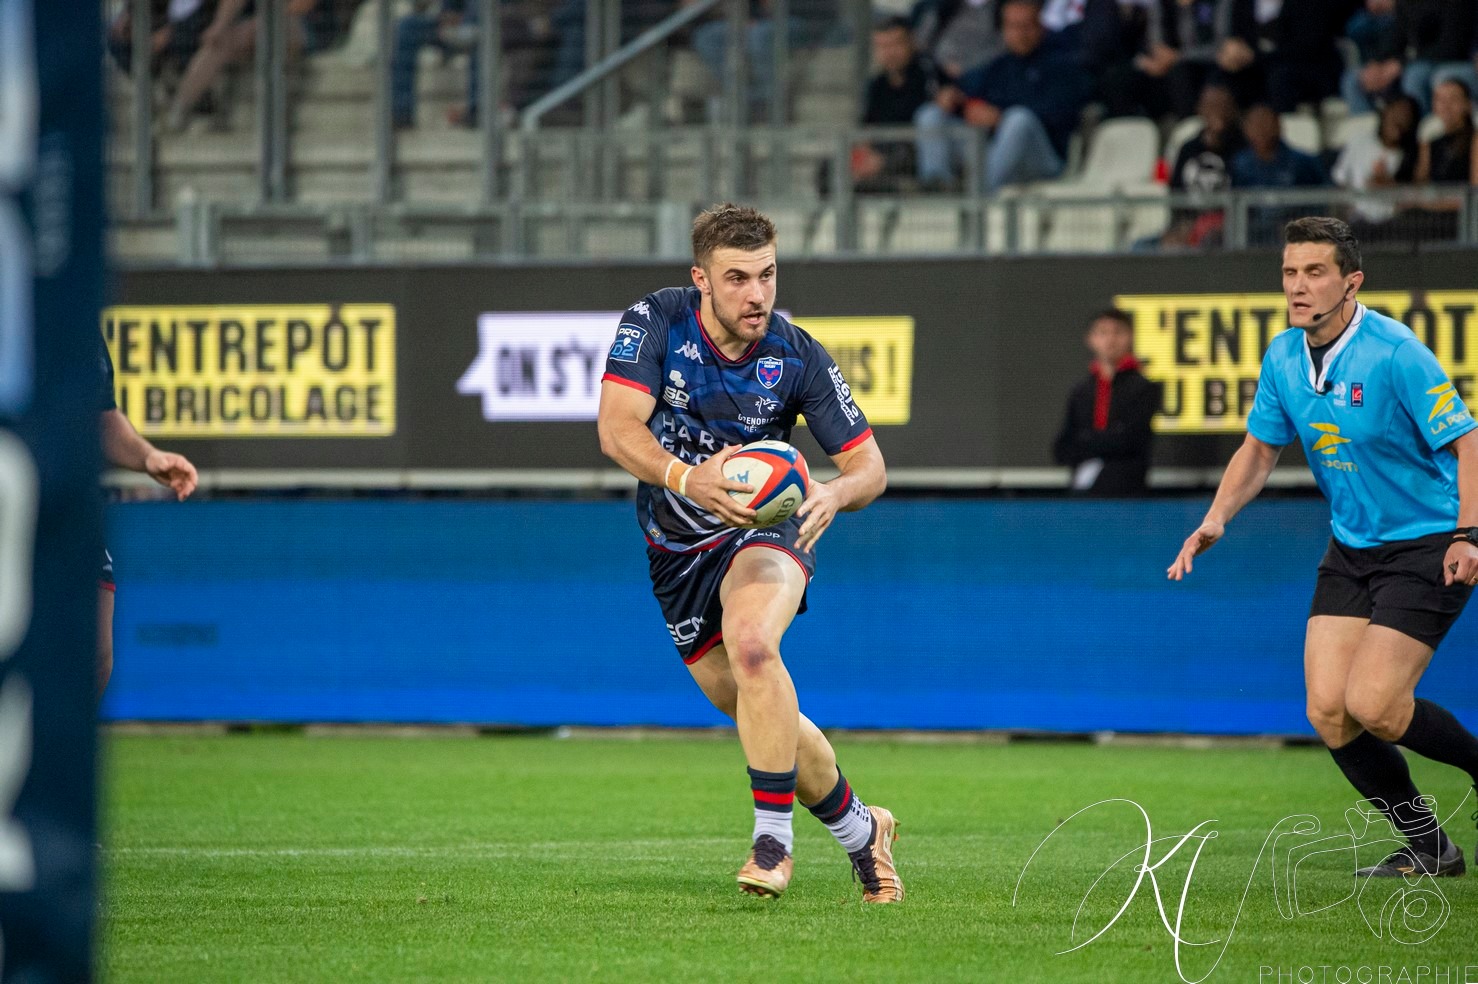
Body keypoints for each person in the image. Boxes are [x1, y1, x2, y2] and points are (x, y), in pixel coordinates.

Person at [596, 203, 900, 902]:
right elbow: (616, 431)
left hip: (767, 531)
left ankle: (772, 844)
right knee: (764, 712)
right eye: (737, 278)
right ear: (700, 278)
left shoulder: (795, 354)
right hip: (676, 546)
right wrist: (687, 476)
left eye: (766, 274)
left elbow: (870, 468)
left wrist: (835, 493)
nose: (756, 294)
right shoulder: (657, 322)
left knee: (756, 646)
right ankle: (862, 831)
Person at [1170, 216, 1478, 878]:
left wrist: (1468, 532)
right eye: (1290, 272)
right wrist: (1217, 518)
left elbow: (1468, 440)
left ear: (1351, 282)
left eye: (1315, 272)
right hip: (1352, 548)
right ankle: (1430, 847)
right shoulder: (1283, 355)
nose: (1299, 286)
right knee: (1330, 713)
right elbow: (1259, 449)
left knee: (1376, 706)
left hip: (1427, 543)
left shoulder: (1395, 352)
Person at [97, 340, 198, 694]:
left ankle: (48, 749)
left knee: (97, 653)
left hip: (65, 508)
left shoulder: (74, 320)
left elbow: (102, 415)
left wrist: (148, 457)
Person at [914, 0, 1089, 192]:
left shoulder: (1061, 64)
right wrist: (957, 100)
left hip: (1042, 159)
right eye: (1013, 26)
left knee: (1018, 120)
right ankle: (936, 187)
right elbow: (966, 91)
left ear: (1040, 26)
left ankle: (978, 199)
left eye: (1026, 26)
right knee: (930, 114)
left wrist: (999, 117)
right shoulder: (998, 66)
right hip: (995, 154)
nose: (1020, 34)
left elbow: (1060, 116)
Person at [1052, 309, 1157, 495]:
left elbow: (1130, 440)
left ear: (1130, 337)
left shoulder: (1143, 388)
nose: (1110, 340)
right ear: (1090, 339)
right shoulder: (1081, 391)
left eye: (1117, 332)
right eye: (1103, 332)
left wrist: (1087, 441)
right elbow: (1062, 447)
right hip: (1083, 491)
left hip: (1127, 491)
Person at [848, 16, 939, 192]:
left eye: (895, 44)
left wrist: (882, 159)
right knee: (832, 166)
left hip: (913, 155)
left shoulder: (929, 74)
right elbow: (866, 127)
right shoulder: (877, 85)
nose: (889, 52)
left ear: (911, 42)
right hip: (880, 154)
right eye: (882, 46)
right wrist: (863, 156)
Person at [1159, 83, 1245, 248]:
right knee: (1144, 246)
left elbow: (1244, 194)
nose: (1217, 111)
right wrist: (1182, 226)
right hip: (1191, 223)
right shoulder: (1188, 148)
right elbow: (1176, 192)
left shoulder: (1243, 147)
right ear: (1200, 109)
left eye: (1222, 106)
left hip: (1229, 225)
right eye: (1211, 106)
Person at [1333, 94, 1419, 225]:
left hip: (1396, 225)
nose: (1399, 120)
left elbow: (1417, 196)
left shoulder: (1414, 155)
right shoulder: (1359, 141)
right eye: (1395, 113)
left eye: (1406, 116)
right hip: (1356, 221)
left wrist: (1388, 185)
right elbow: (1340, 181)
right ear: (1385, 114)